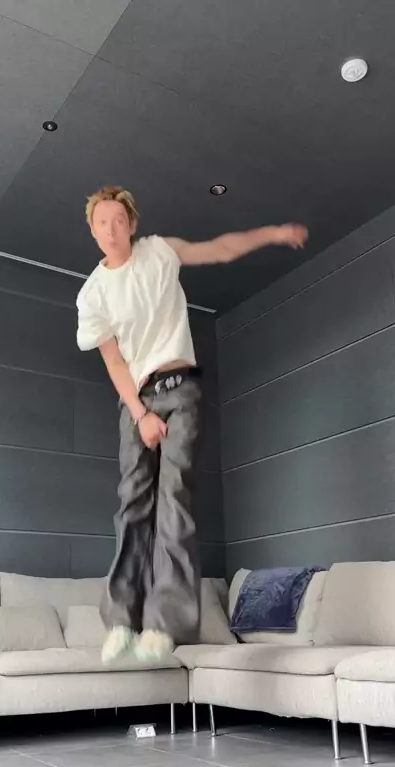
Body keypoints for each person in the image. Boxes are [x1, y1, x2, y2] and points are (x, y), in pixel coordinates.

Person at [76, 186, 308, 663]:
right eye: (102, 222)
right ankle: (122, 619)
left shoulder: (159, 252)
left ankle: (165, 624)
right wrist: (141, 415)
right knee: (132, 504)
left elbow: (219, 248)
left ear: (131, 225)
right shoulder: (93, 293)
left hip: (181, 388)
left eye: (118, 220)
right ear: (93, 231)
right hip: (136, 398)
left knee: (174, 499)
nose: (111, 229)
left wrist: (272, 233)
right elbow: (114, 361)